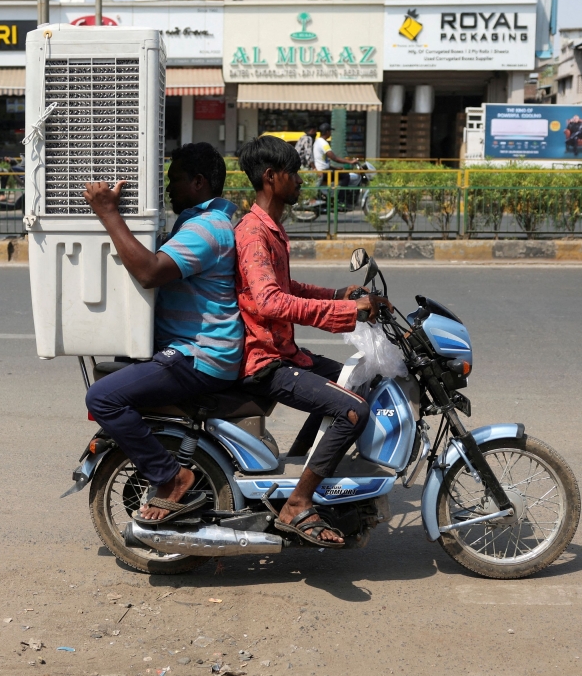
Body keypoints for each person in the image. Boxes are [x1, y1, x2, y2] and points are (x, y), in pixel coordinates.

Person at [235, 134, 391, 547]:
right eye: (294, 172)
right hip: (265, 362)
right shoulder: (253, 234)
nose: (302, 180)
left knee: (350, 379)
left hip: (284, 353)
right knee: (353, 412)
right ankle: (298, 503)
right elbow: (270, 301)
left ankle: (304, 470)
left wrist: (339, 294)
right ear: (271, 177)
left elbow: (287, 286)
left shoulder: (272, 229)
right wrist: (343, 313)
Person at [82, 142, 245, 523]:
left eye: (175, 181)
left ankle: (171, 477)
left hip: (199, 355)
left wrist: (108, 212)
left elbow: (150, 271)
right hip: (191, 350)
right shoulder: (198, 224)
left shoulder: (206, 228)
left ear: (199, 182)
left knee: (102, 398)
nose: (168, 190)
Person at [313, 122, 361, 187]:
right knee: (346, 176)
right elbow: (334, 158)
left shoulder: (317, 141)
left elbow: (323, 163)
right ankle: (341, 196)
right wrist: (350, 162)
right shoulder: (323, 143)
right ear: (327, 132)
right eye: (330, 131)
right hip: (324, 172)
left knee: (341, 171)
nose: (331, 133)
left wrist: (336, 168)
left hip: (323, 170)